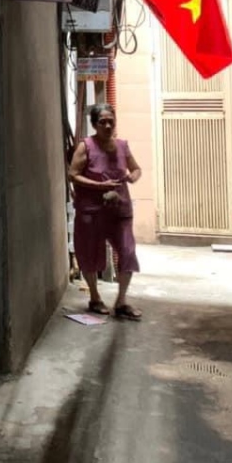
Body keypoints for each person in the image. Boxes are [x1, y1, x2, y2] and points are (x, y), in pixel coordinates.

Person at [69, 103, 143, 320]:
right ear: (94, 124)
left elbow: (136, 168)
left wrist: (133, 176)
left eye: (111, 121)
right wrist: (99, 186)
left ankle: (121, 301)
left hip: (119, 209)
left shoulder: (122, 146)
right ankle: (94, 297)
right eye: (103, 122)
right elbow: (73, 175)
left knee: (127, 252)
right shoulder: (86, 146)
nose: (108, 126)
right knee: (90, 253)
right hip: (92, 210)